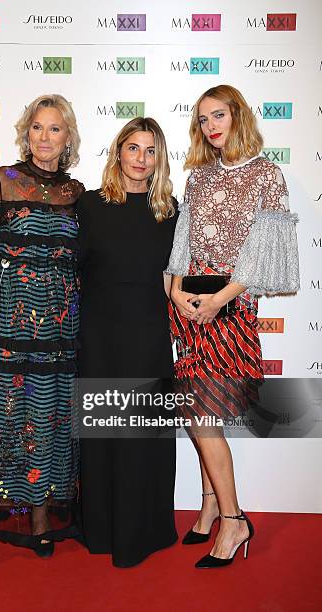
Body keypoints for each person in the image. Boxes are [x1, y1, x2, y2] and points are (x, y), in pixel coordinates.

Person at [0, 94, 84, 568]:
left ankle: (42, 518)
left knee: (48, 419)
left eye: (55, 129)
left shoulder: (77, 193)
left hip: (59, 328)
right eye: (37, 128)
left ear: (68, 139)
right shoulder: (1, 181)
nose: (44, 137)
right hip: (3, 320)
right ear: (26, 133)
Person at [166, 84, 299, 568]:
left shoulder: (267, 174)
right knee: (199, 415)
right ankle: (207, 510)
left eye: (218, 115)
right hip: (190, 309)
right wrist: (174, 292)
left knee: (204, 416)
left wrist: (218, 301)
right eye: (203, 119)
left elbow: (264, 257)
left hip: (231, 309)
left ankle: (234, 519)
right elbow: (180, 248)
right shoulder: (198, 178)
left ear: (238, 115)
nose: (211, 126)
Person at [77, 117, 179, 567]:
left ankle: (144, 530)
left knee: (142, 435)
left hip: (149, 332)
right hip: (99, 333)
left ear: (160, 158)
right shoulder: (90, 205)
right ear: (118, 151)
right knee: (102, 433)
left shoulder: (169, 210)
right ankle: (100, 528)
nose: (141, 159)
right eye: (133, 148)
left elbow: (176, 278)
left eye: (150, 150)